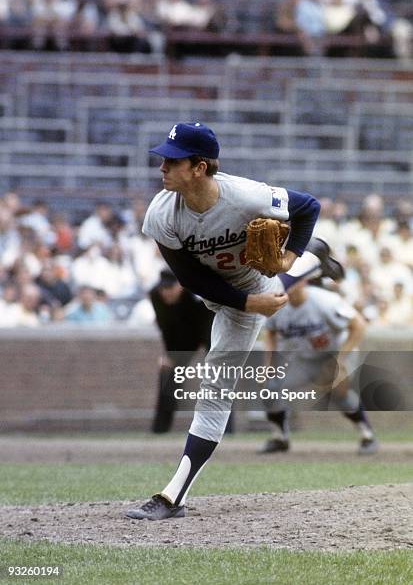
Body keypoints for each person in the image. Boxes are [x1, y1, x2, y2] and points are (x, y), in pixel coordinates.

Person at [125, 121, 342, 520]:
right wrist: (248, 302)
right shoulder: (163, 213)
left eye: (172, 161)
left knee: (215, 387)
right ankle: (316, 257)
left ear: (200, 167)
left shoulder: (244, 195)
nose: (162, 167)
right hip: (233, 293)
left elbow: (308, 206)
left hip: (251, 284)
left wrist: (285, 259)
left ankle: (174, 496)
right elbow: (190, 278)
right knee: (277, 284)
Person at [259, 278, 378, 456]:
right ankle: (279, 438)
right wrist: (269, 364)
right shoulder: (277, 302)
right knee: (271, 388)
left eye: (293, 281)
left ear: (303, 282)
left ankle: (367, 435)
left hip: (336, 352)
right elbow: (269, 331)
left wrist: (340, 360)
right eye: (285, 281)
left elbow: (358, 326)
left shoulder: (324, 300)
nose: (289, 286)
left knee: (339, 392)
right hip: (306, 358)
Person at [149, 269, 215, 433]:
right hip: (182, 337)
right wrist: (169, 354)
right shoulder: (155, 295)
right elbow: (165, 326)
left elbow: (211, 318)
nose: (166, 293)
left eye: (170, 288)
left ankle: (224, 428)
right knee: (168, 373)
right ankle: (160, 429)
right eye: (163, 288)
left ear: (180, 286)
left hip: (209, 329)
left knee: (219, 374)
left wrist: (213, 352)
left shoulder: (198, 291)